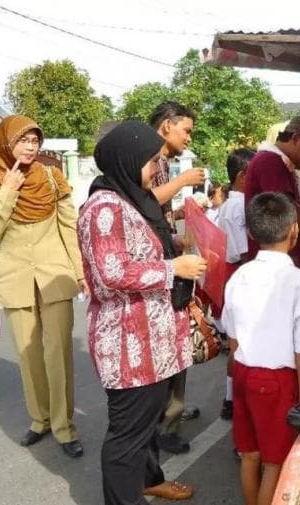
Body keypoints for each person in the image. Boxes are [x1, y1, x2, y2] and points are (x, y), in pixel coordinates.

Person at [78, 121, 204, 504]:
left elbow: (138, 248)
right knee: (127, 437)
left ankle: (149, 479)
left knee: (147, 424)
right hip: (129, 343)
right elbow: (110, 273)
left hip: (152, 339)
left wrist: (174, 244)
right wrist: (173, 269)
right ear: (128, 160)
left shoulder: (131, 197)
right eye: (152, 162)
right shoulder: (104, 208)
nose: (157, 170)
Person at [0, 115, 85, 458]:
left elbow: (69, 227)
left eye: (35, 141)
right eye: (23, 141)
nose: (31, 147)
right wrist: (7, 193)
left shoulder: (51, 176)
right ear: (6, 143)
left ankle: (64, 427)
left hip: (55, 274)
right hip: (16, 277)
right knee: (28, 354)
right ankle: (40, 420)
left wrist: (80, 272)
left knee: (58, 352)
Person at [221, 192, 300, 505]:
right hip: (277, 380)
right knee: (274, 463)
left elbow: (232, 336)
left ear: (251, 234)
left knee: (250, 456)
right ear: (295, 230)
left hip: (243, 371)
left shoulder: (239, 276)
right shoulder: (299, 281)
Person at [149, 101, 207, 454]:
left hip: (166, 255)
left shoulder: (163, 162)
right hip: (158, 267)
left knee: (175, 342)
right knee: (169, 344)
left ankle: (171, 412)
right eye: (186, 130)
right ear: (167, 126)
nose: (188, 137)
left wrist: (176, 236)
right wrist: (185, 181)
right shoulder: (148, 160)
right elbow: (144, 201)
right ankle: (166, 420)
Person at [243, 116, 300, 269]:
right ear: (295, 139)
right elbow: (289, 214)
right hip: (276, 267)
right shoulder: (270, 162)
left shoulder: (278, 162)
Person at [216, 147, 255, 421]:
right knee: (240, 343)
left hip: (232, 273)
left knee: (236, 341)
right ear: (243, 176)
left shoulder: (229, 204)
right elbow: (244, 251)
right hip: (240, 273)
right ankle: (235, 398)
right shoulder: (240, 206)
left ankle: (231, 397)